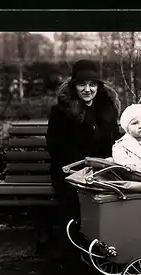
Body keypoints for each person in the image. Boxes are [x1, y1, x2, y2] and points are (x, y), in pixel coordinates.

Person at [43, 59, 122, 251]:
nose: (87, 89)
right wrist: (80, 168)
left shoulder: (107, 109)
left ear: (98, 87)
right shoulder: (61, 112)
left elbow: (113, 142)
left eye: (92, 84)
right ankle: (76, 246)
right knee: (75, 198)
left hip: (102, 168)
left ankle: (106, 245)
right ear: (74, 86)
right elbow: (55, 146)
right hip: (72, 169)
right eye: (82, 84)